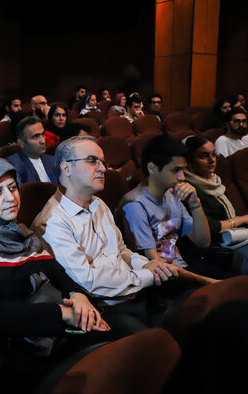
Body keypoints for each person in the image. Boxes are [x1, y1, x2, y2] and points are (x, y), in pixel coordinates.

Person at [0, 158, 111, 387]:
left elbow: (56, 271)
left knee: (111, 347)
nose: (11, 198)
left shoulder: (18, 234)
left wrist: (78, 295)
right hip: (5, 348)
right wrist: (65, 315)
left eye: (13, 187)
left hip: (38, 329)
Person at [31, 136, 207, 336]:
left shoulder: (98, 204)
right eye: (91, 160)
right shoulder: (52, 222)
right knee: (162, 345)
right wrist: (149, 274)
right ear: (66, 169)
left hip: (137, 292)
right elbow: (88, 282)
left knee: (199, 319)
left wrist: (150, 264)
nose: (103, 168)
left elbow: (121, 250)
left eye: (102, 162)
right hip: (105, 307)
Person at [117, 135, 220, 280]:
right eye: (175, 170)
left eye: (183, 170)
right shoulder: (134, 205)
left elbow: (203, 241)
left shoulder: (172, 195)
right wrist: (208, 282)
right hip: (161, 279)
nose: (182, 177)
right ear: (152, 168)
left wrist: (195, 204)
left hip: (182, 270)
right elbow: (155, 262)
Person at [184, 136, 248, 274]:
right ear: (189, 159)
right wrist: (240, 220)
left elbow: (233, 212)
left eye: (214, 154)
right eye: (203, 156)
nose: (212, 160)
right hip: (217, 248)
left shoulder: (215, 181)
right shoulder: (187, 189)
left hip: (236, 237)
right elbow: (209, 227)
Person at [7, 117, 58, 184]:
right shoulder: (13, 166)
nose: (43, 141)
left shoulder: (51, 160)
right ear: (21, 143)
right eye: (35, 137)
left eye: (42, 134)